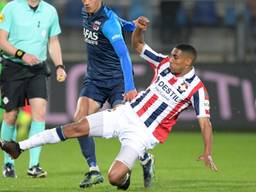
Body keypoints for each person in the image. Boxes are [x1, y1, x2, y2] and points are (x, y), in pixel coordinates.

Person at [0, 16, 218, 190]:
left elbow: (205, 123)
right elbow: (139, 45)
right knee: (76, 126)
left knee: (114, 178)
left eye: (176, 58)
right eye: (171, 55)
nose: (170, 59)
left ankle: (133, 168)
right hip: (125, 114)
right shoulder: (163, 64)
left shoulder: (196, 89)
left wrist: (207, 151)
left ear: (188, 62)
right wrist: (139, 29)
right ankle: (19, 147)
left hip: (142, 134)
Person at [74, 0, 154, 188]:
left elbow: (124, 55)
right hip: (94, 79)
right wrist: (131, 24)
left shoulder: (108, 23)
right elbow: (119, 20)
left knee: (126, 123)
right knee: (79, 119)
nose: (85, 2)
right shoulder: (87, 12)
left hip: (118, 80)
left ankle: (145, 158)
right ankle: (93, 169)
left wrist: (129, 87)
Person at [0, 0, 66, 178]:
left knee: (39, 113)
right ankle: (8, 163)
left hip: (37, 69)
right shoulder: (11, 8)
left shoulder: (50, 11)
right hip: (13, 67)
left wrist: (59, 65)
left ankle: (34, 165)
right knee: (10, 116)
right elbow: (1, 40)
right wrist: (22, 54)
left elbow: (53, 42)